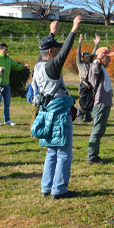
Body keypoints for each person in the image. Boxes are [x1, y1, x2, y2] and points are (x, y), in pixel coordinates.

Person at [33, 15, 81, 199]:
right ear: (51, 52)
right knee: (64, 153)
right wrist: (73, 30)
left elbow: (43, 49)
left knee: (51, 151)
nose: (59, 52)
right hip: (60, 112)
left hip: (46, 111)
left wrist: (51, 34)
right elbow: (65, 52)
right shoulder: (52, 67)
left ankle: (46, 187)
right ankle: (59, 189)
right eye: (56, 50)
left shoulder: (38, 65)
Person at [86, 45, 114, 165]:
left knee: (100, 130)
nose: (110, 60)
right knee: (97, 130)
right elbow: (96, 69)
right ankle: (91, 157)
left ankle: (94, 155)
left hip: (104, 103)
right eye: (108, 57)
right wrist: (98, 59)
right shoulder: (95, 67)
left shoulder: (101, 68)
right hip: (100, 104)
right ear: (102, 57)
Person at [0, 42, 28, 127]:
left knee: (7, 103)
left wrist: (23, 66)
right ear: (0, 50)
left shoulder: (8, 59)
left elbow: (16, 66)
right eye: (4, 50)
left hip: (6, 85)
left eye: (7, 50)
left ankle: (7, 120)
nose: (6, 51)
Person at [76, 34, 100, 123]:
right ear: (83, 57)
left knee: (90, 100)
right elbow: (78, 54)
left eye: (88, 57)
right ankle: (79, 117)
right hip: (83, 84)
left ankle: (88, 117)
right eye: (86, 57)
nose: (88, 58)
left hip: (90, 84)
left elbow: (94, 53)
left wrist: (96, 44)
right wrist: (80, 43)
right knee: (82, 100)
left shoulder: (90, 63)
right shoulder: (80, 63)